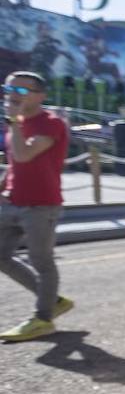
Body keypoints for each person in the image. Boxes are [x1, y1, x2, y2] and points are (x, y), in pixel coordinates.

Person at [0, 72, 74, 341]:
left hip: (41, 205)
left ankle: (43, 319)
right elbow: (14, 163)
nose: (12, 94)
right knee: (1, 256)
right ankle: (53, 300)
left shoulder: (51, 123)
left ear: (40, 96)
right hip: (12, 202)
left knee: (41, 261)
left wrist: (14, 122)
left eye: (21, 90)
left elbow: (24, 154)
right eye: (9, 88)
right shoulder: (17, 124)